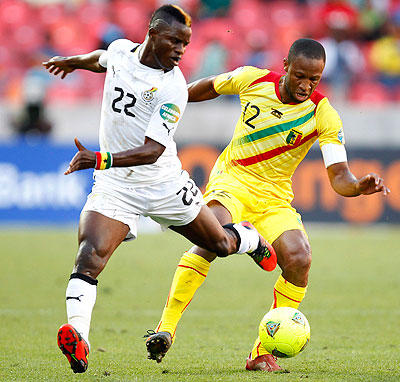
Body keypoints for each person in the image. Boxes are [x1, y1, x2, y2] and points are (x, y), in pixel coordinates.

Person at [42, 4, 276, 374]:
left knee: (220, 244)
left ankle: (247, 238)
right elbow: (102, 59)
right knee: (89, 257)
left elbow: (152, 151)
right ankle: (79, 338)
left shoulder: (173, 87)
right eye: (175, 41)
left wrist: (98, 158)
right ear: (152, 34)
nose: (182, 50)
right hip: (115, 185)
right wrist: (72, 61)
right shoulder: (122, 50)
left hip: (162, 183)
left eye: (186, 44)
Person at [145, 38, 390, 370]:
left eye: (314, 79)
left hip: (274, 198)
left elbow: (339, 176)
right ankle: (166, 328)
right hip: (232, 181)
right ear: (286, 65)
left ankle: (262, 352)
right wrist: (167, 101)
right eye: (300, 75)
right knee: (212, 236)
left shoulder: (323, 114)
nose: (305, 85)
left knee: (300, 259)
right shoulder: (253, 80)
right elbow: (208, 87)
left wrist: (359, 186)